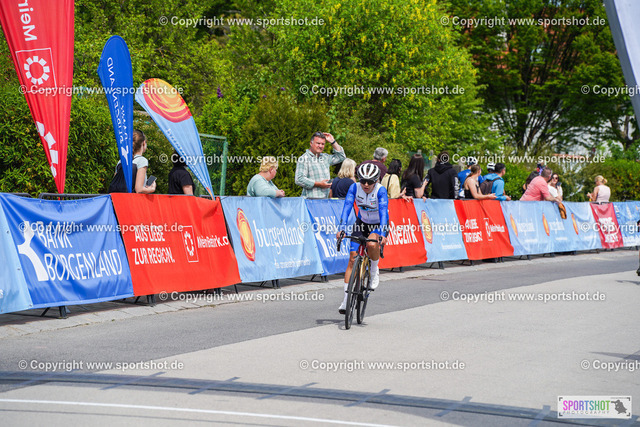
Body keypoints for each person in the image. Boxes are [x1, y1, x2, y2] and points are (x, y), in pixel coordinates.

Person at [336, 164, 388, 314]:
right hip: (362, 223)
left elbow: (383, 212)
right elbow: (347, 207)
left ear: (376, 180)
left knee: (371, 244)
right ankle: (346, 300)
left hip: (378, 225)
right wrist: (341, 228)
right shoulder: (354, 188)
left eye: (369, 181)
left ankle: (374, 269)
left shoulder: (380, 191)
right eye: (362, 180)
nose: (365, 184)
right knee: (352, 259)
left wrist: (382, 233)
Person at [295, 131, 346, 198]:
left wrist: (333, 141)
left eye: (323, 144)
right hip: (309, 200)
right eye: (318, 143)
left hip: (324, 200)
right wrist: (319, 184)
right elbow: (299, 179)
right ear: (311, 143)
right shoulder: (304, 158)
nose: (320, 146)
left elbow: (341, 157)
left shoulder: (325, 157)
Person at [132, 129, 156, 194]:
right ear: (144, 143)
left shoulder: (121, 161)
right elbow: (139, 189)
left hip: (118, 198)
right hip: (133, 199)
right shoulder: (142, 161)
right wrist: (151, 189)